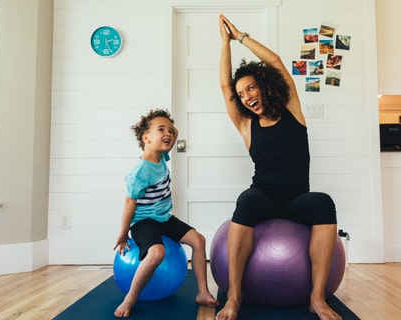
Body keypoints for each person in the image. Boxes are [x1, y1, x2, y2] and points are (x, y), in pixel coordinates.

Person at [217, 15, 342, 320]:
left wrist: (240, 36)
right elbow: (224, 86)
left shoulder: (293, 111)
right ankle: (233, 298)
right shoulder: (247, 125)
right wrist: (224, 43)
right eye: (242, 93)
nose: (246, 97)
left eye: (251, 89)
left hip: (297, 200)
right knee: (246, 200)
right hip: (264, 197)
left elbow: (274, 60)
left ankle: (316, 299)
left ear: (264, 86)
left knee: (323, 202)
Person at [113, 109, 217, 318]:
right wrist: (123, 233)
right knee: (157, 253)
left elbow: (173, 133)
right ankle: (130, 297)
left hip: (164, 218)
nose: (169, 133)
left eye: (169, 130)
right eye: (161, 130)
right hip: (143, 222)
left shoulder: (161, 157)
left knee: (198, 240)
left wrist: (166, 127)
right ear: (146, 138)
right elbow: (129, 203)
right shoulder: (139, 172)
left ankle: (203, 293)